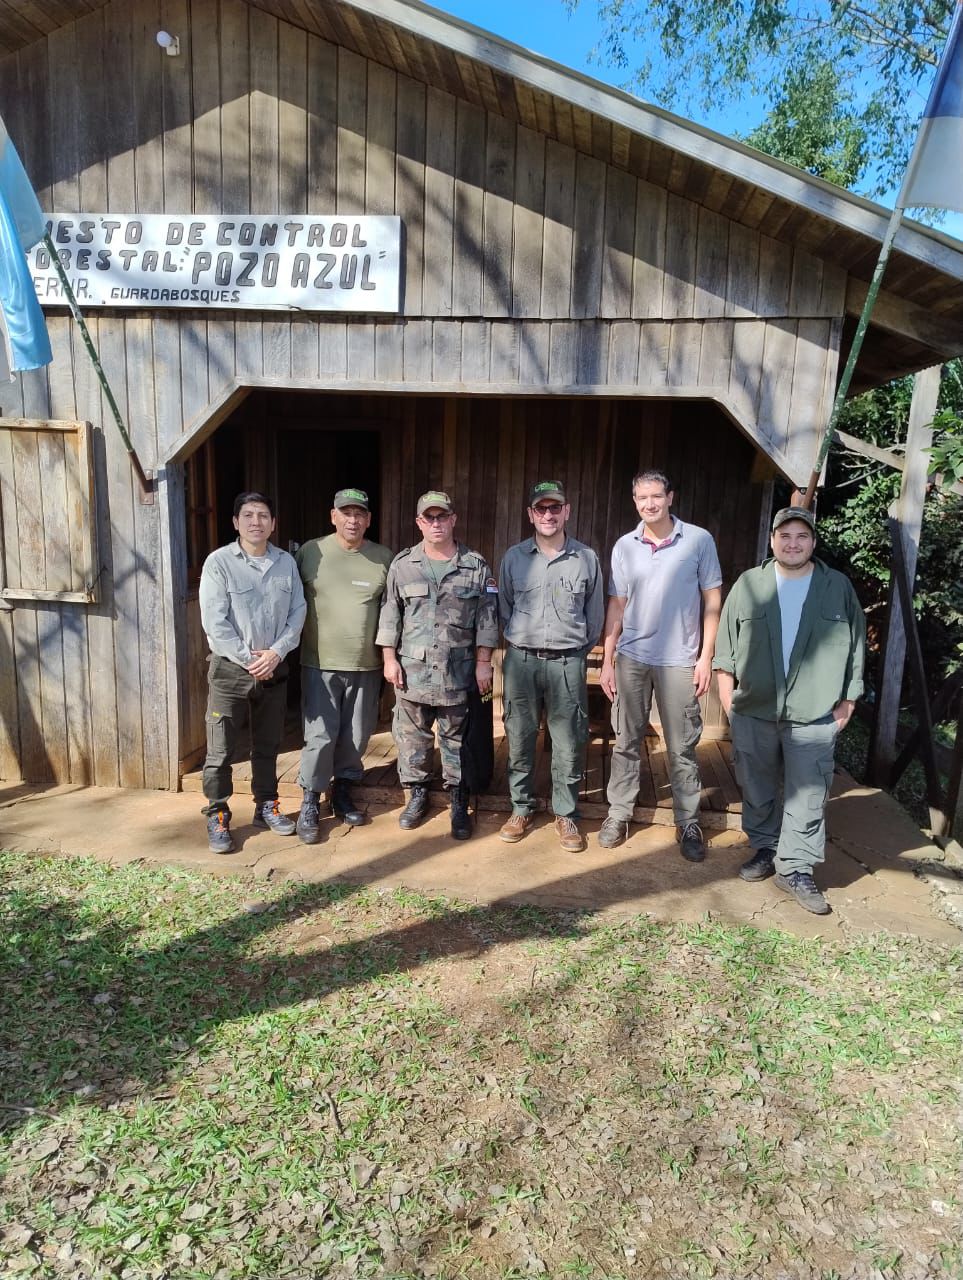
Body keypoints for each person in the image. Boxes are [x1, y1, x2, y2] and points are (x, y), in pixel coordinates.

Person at [713, 506, 865, 915]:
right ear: (772, 540)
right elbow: (724, 648)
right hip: (754, 710)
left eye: (801, 536)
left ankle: (796, 868)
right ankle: (765, 848)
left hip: (814, 711)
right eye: (785, 536)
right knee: (757, 786)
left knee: (809, 793)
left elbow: (856, 647)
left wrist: (848, 701)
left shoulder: (837, 587)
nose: (792, 543)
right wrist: (729, 701)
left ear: (813, 542)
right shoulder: (750, 584)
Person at [598, 469, 722, 860]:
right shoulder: (624, 546)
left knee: (682, 745)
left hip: (680, 660)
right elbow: (616, 604)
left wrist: (706, 657)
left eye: (656, 496)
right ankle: (620, 812)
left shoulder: (699, 541)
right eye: (641, 498)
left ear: (671, 497)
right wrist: (607, 658)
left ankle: (687, 822)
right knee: (626, 740)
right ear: (634, 501)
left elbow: (712, 601)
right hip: (632, 657)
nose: (649, 504)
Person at [376, 491, 499, 840]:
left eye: (441, 516)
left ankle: (459, 799)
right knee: (412, 737)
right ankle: (417, 794)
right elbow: (390, 613)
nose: (435, 523)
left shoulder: (475, 566)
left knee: (455, 739)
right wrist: (389, 659)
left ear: (453, 519)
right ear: (419, 522)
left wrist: (484, 663)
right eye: (428, 518)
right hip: (412, 670)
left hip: (456, 670)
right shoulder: (403, 565)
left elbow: (487, 619)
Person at [497, 481, 604, 851]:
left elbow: (594, 618)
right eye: (540, 509)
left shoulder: (586, 558)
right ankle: (521, 808)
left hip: (567, 662)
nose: (548, 515)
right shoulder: (513, 557)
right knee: (521, 737)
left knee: (569, 741)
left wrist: (570, 650)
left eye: (554, 508)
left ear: (567, 512)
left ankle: (566, 814)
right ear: (530, 514)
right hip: (522, 661)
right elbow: (504, 609)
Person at [198, 492, 306, 853]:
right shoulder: (219, 563)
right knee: (221, 750)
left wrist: (276, 653)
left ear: (273, 523)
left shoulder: (285, 563)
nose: (256, 521)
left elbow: (298, 612)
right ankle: (217, 813)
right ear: (235, 522)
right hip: (231, 671)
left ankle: (266, 806)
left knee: (267, 745)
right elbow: (215, 623)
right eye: (248, 515)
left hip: (274, 669)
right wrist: (250, 659)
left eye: (263, 515)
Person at [294, 488, 394, 844]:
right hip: (319, 662)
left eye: (360, 513)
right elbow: (289, 600)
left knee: (356, 734)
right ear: (333, 515)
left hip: (365, 664)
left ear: (368, 519)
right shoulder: (310, 552)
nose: (353, 519)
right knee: (320, 734)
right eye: (346, 512)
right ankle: (310, 799)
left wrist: (389, 657)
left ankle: (343, 792)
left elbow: (392, 611)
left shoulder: (383, 557)